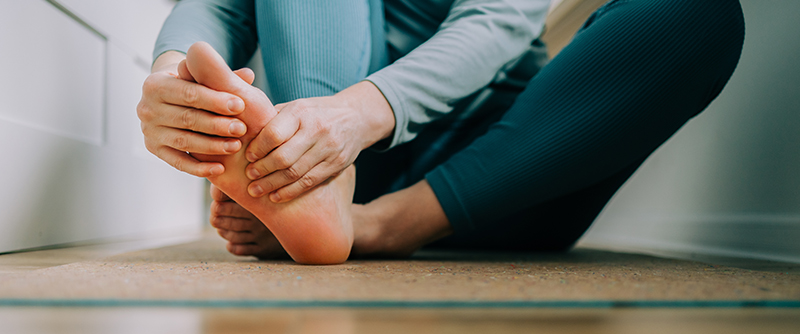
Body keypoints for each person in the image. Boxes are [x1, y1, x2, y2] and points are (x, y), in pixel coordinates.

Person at [137, 0, 745, 264]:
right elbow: (220, 8)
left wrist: (354, 114)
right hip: (335, 160)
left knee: (698, 12)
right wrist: (172, 80)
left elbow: (496, 20)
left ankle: (367, 223)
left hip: (502, 174)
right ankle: (312, 186)